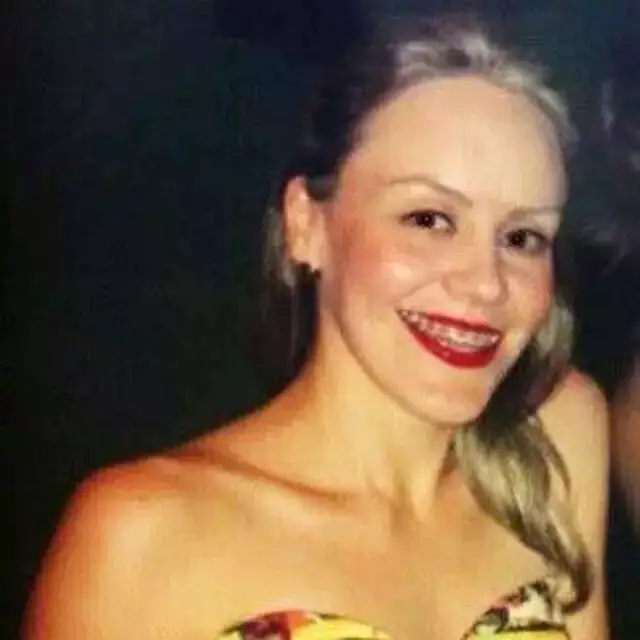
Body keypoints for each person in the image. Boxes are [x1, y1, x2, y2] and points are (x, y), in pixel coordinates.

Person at [22, 15, 609, 640]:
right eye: (429, 219)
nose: (485, 283)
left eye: (522, 237)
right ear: (308, 225)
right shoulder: (144, 536)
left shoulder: (553, 444)